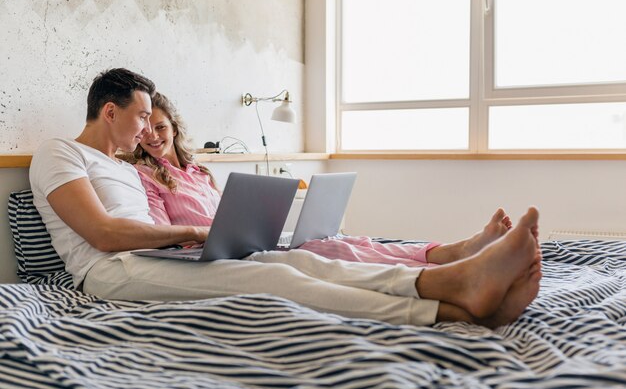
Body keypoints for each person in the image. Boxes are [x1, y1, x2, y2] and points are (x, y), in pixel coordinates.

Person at [30, 68, 542, 329]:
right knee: (273, 276)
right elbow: (102, 234)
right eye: (142, 116)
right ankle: (454, 311)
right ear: (111, 112)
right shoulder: (58, 154)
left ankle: (442, 282)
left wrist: (204, 238)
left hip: (154, 253)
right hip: (111, 269)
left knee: (302, 260)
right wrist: (194, 232)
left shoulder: (121, 165)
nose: (146, 129)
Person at [131, 92, 518, 268]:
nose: (153, 136)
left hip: (242, 242)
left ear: (174, 127)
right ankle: (452, 257)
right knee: (334, 252)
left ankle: (450, 251)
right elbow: (160, 232)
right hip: (217, 256)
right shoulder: (146, 176)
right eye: (145, 130)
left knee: (343, 241)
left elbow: (230, 215)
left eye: (160, 126)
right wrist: (199, 236)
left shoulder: (200, 172)